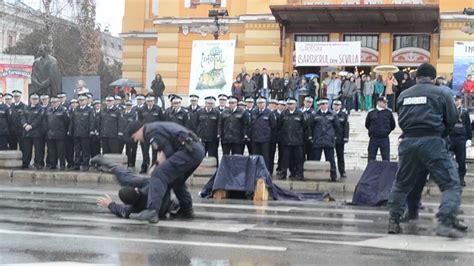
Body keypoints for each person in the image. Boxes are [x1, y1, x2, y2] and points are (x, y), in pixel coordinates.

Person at [388, 63, 464, 238]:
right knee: (451, 184)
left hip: (408, 142)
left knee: (402, 183)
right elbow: (452, 119)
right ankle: (445, 220)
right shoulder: (442, 92)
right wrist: (440, 133)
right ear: (434, 78)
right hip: (432, 142)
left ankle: (394, 220)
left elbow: (401, 119)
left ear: (416, 77)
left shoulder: (404, 94)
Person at [125, 121, 205, 223]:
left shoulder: (150, 132)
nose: (135, 140)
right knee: (176, 179)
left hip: (189, 151)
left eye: (134, 136)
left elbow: (168, 152)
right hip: (196, 150)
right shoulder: (155, 127)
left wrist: (157, 165)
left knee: (158, 174)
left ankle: (152, 211)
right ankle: (186, 210)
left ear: (139, 130)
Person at [277, 98, 307, 180]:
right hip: (286, 140)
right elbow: (279, 126)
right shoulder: (283, 114)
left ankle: (298, 174)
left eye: (292, 104)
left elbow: (304, 127)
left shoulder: (300, 114)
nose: (290, 106)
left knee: (299, 159)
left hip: (297, 141)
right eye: (289, 104)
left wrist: (301, 137)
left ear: (295, 105)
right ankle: (283, 173)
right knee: (285, 158)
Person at [311, 98, 340, 181]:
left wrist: (334, 137)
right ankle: (314, 175)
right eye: (321, 104)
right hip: (318, 139)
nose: (323, 106)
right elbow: (311, 127)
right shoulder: (315, 114)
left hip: (328, 139)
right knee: (316, 159)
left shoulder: (333, 114)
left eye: (325, 104)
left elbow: (337, 127)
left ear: (328, 105)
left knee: (330, 159)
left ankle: (333, 175)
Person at [137, 96, 164, 173]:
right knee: (145, 150)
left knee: (155, 150)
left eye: (151, 101)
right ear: (146, 102)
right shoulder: (142, 109)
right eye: (148, 101)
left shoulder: (158, 109)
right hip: (145, 134)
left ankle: (154, 166)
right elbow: (139, 121)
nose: (149, 103)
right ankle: (145, 166)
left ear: (154, 101)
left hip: (155, 134)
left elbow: (162, 121)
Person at [449, 95, 472, 187]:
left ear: (461, 101)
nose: (456, 101)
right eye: (454, 100)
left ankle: (461, 178)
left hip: (461, 139)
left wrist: (469, 138)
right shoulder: (449, 110)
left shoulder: (465, 111)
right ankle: (450, 178)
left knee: (461, 160)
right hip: (450, 137)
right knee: (449, 160)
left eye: (457, 100)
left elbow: (468, 125)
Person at [250, 97, 276, 172]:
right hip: (255, 138)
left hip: (265, 139)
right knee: (255, 157)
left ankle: (265, 172)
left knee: (265, 157)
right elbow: (251, 125)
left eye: (262, 103)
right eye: (258, 103)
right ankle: (255, 171)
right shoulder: (254, 112)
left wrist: (271, 138)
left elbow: (273, 126)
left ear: (265, 103)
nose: (260, 104)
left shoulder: (269, 113)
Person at [69, 94, 95, 171]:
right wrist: (70, 131)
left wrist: (91, 131)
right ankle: (76, 164)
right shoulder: (76, 109)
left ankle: (85, 164)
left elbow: (92, 122)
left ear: (86, 101)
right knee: (77, 150)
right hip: (76, 133)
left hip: (85, 133)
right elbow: (72, 121)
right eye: (80, 100)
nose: (81, 102)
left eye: (83, 100)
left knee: (85, 150)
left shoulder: (89, 110)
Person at [365, 97, 395, 161]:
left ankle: (386, 171)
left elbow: (392, 125)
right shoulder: (371, 112)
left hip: (384, 138)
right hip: (374, 138)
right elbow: (367, 124)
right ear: (379, 102)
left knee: (386, 157)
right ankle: (371, 171)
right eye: (384, 102)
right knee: (371, 157)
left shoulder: (388, 113)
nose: (385, 104)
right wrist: (372, 131)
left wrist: (386, 131)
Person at [21, 94, 46, 169]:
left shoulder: (41, 109)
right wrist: (25, 125)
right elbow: (22, 117)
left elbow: (39, 119)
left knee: (38, 149)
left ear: (38, 100)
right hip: (26, 131)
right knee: (27, 149)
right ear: (30, 99)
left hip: (37, 132)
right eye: (33, 99)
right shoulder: (26, 108)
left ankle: (38, 163)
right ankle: (26, 163)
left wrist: (31, 126)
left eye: (36, 99)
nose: (34, 100)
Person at [45, 96, 69, 170]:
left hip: (60, 134)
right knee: (52, 151)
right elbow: (46, 121)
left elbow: (66, 122)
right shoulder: (48, 110)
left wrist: (62, 131)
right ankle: (53, 164)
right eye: (52, 102)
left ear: (59, 102)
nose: (53, 104)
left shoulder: (63, 111)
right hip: (50, 134)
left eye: (55, 102)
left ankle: (62, 165)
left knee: (61, 151)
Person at [333, 100, 349, 178]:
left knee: (340, 156)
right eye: (335, 105)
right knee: (330, 157)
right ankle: (332, 172)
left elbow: (346, 127)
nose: (336, 106)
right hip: (330, 139)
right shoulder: (330, 114)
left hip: (340, 139)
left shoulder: (343, 115)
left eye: (338, 105)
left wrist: (346, 137)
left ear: (340, 106)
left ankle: (342, 171)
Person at [120, 100, 138, 169]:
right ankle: (121, 162)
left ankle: (130, 163)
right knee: (120, 149)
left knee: (129, 150)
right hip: (122, 133)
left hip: (130, 134)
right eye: (127, 105)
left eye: (129, 106)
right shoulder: (122, 113)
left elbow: (135, 124)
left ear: (131, 106)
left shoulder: (134, 114)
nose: (128, 107)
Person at [300, 96, 315, 160]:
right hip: (300, 136)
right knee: (300, 155)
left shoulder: (314, 113)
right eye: (307, 101)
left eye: (310, 102)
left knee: (310, 155)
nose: (308, 103)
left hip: (311, 136)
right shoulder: (299, 111)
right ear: (304, 102)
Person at [268, 99, 280, 175]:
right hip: (265, 138)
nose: (272, 105)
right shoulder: (266, 113)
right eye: (271, 104)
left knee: (271, 155)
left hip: (273, 138)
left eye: (274, 104)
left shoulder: (278, 115)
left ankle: (270, 171)